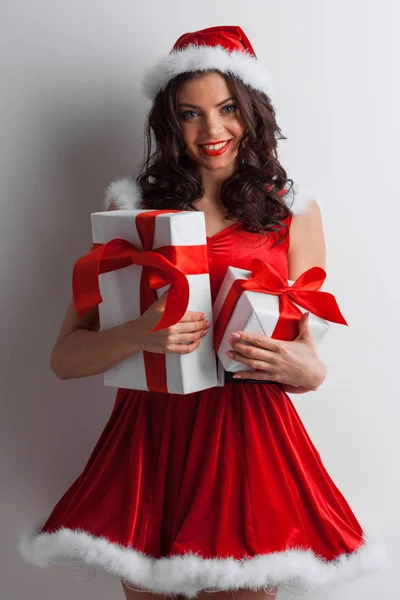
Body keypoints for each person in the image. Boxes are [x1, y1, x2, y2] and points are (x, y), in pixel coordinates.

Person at [19, 26, 384, 600]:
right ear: (170, 123)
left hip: (251, 439)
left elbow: (306, 357)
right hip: (153, 441)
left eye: (227, 108)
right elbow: (66, 358)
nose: (212, 130)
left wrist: (308, 372)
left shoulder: (293, 211)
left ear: (253, 111)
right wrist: (143, 334)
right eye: (191, 113)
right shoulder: (131, 213)